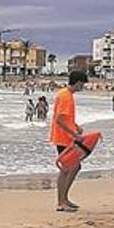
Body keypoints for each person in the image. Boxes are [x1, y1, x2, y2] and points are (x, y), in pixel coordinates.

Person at [50, 70, 87, 212]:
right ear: (77, 82)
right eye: (82, 84)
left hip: (66, 136)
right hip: (63, 138)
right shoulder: (65, 96)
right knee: (67, 169)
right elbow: (59, 119)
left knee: (75, 167)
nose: (82, 87)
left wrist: (76, 126)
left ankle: (64, 198)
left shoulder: (66, 94)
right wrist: (73, 133)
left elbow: (65, 117)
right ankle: (61, 202)